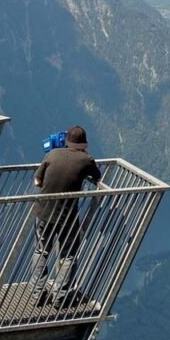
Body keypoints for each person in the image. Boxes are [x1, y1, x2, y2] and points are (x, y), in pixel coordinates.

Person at [30, 125, 102, 308]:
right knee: (68, 255)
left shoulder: (52, 154)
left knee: (41, 251)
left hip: (43, 212)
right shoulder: (86, 159)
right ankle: (60, 296)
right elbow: (97, 177)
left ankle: (37, 293)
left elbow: (37, 181)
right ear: (83, 144)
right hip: (66, 217)